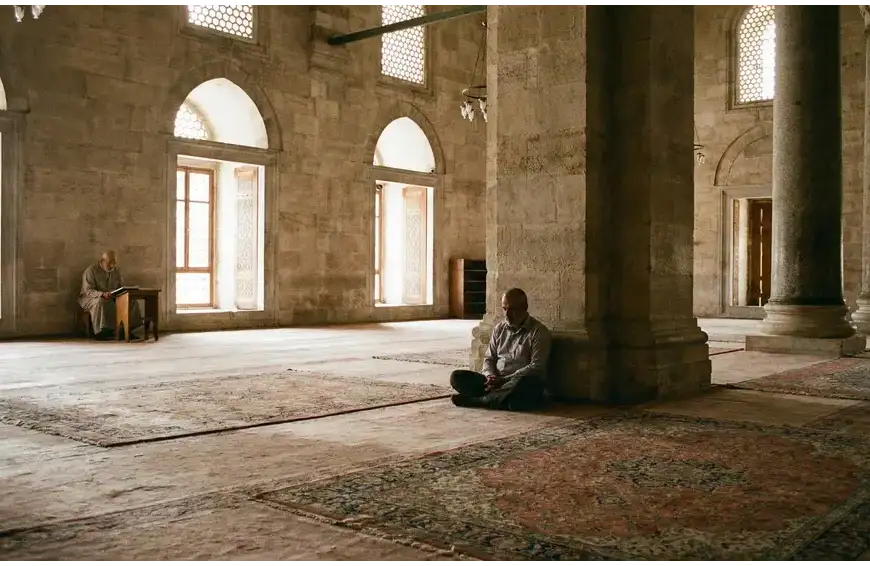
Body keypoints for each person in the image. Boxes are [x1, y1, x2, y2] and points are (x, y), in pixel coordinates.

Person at [450, 288, 552, 410]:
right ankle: (499, 398)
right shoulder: (500, 329)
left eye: (512, 309)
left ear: (524, 307)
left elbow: (536, 367)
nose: (507, 314)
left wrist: (504, 380)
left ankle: (481, 400)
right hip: (496, 382)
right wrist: (490, 377)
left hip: (517, 382)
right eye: (505, 309)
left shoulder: (538, 332)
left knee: (524, 385)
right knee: (456, 376)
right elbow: (489, 358)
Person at [78, 250, 142, 340]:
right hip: (90, 297)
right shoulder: (91, 271)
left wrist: (123, 292)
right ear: (102, 261)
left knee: (131, 301)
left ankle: (126, 330)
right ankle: (101, 331)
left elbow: (120, 286)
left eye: (114, 263)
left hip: (111, 296)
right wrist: (102, 294)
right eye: (110, 263)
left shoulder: (115, 271)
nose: (112, 265)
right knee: (101, 302)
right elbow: (88, 290)